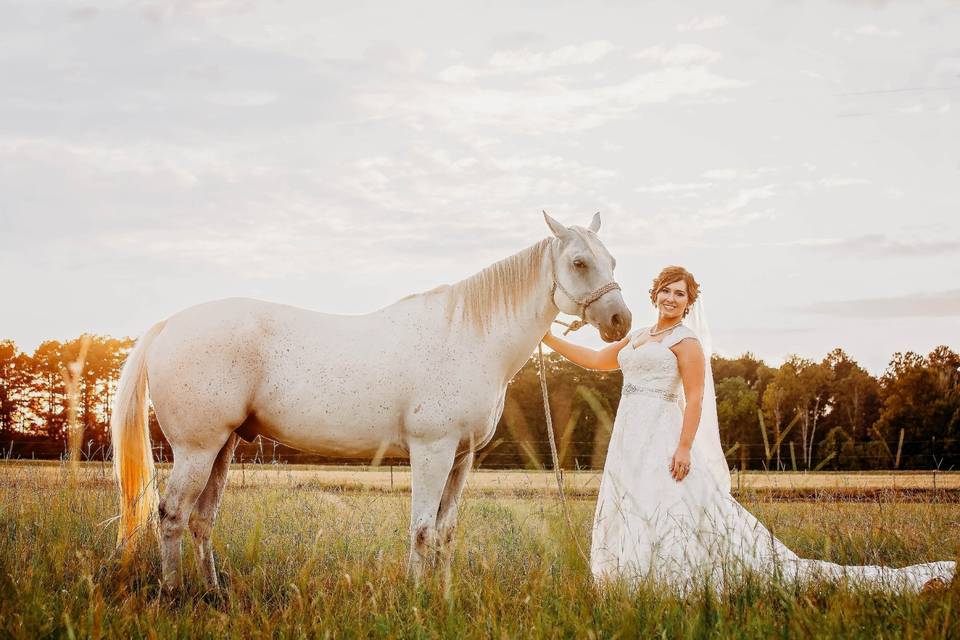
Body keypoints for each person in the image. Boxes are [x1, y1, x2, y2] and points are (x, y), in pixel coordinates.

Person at [542, 265, 956, 593]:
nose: (671, 297)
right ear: (654, 294)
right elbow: (596, 360)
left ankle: (672, 578)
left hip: (663, 433)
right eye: (666, 289)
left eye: (679, 293)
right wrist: (545, 338)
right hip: (628, 437)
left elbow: (696, 398)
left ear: (689, 303)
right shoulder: (637, 336)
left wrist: (684, 447)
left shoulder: (687, 344)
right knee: (631, 502)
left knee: (665, 503)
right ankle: (630, 576)